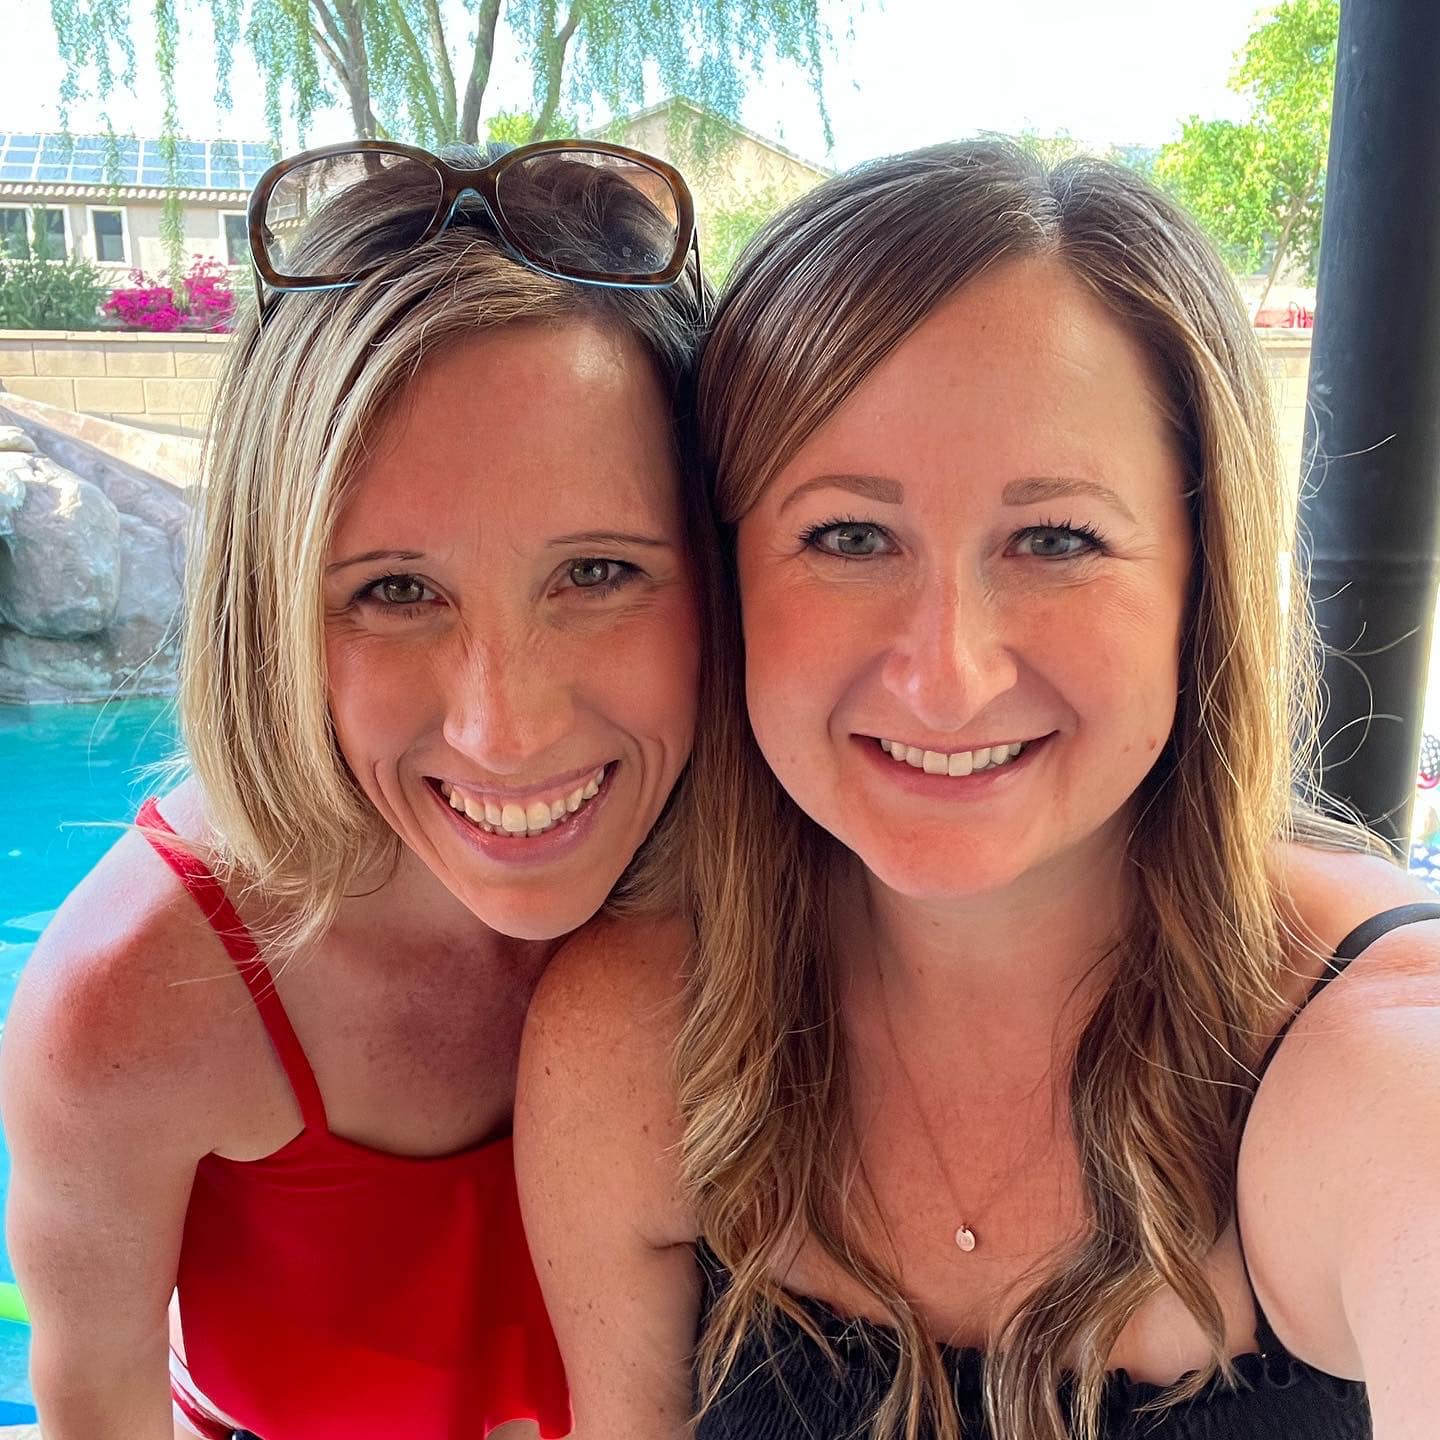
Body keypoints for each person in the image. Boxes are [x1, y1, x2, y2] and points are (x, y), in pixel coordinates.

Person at [517, 141, 1440, 1440]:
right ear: (730, 582)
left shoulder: (1381, 1069)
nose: (947, 679)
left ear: (1200, 580)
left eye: (1056, 538)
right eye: (848, 536)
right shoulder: (633, 1044)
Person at [2, 138, 710, 1440]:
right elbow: (95, 1403)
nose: (504, 731)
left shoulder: (797, 897)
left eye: (599, 572)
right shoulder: (134, 1001)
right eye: (394, 590)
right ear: (267, 610)